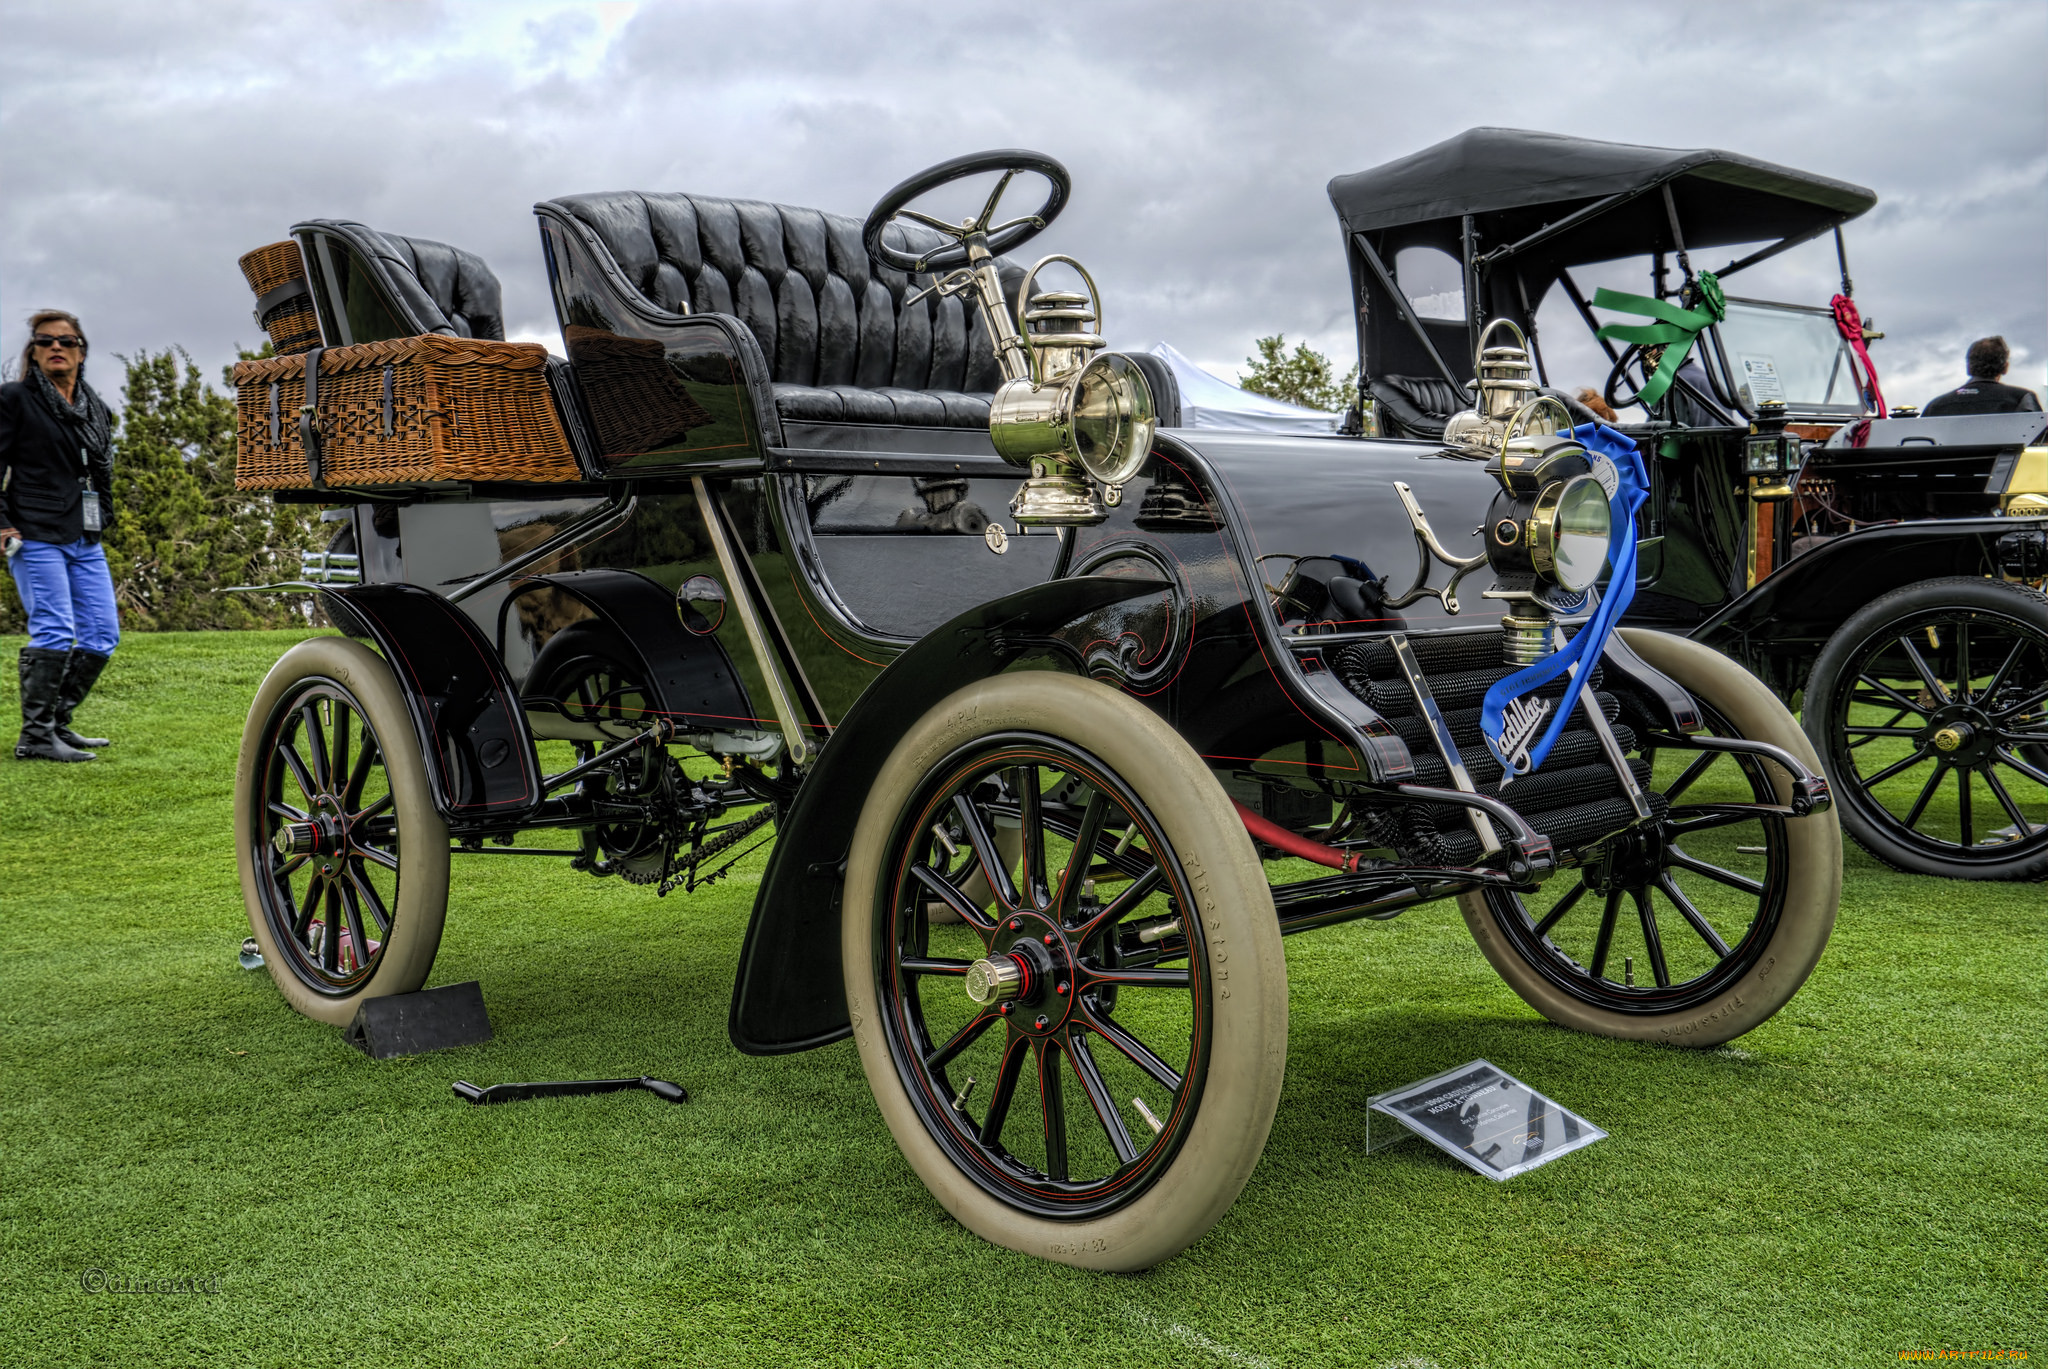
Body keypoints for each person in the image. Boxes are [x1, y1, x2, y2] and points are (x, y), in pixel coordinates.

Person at [1, 309, 120, 762]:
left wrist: (103, 516)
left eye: (66, 341)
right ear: (32, 351)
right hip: (33, 532)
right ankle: (34, 737)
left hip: (83, 536)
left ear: (81, 352)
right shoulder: (14, 399)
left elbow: (101, 471)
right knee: (54, 630)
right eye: (45, 340)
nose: (56, 347)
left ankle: (57, 725)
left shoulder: (93, 407)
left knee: (102, 633)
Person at [1921, 336, 2043, 416]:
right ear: (2005, 367)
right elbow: (2039, 443)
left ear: (1968, 367)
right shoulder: (2020, 399)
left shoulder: (1935, 406)